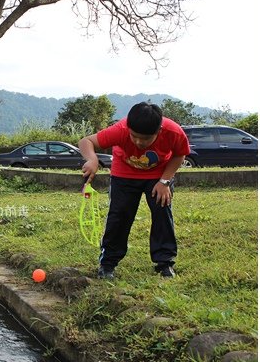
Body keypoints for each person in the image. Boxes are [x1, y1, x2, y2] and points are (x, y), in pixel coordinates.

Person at [78, 102, 190, 279]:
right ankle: (108, 263)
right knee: (119, 215)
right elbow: (87, 141)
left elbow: (179, 154)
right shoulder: (121, 129)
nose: (139, 142)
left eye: (145, 139)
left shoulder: (173, 132)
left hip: (158, 175)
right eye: (134, 136)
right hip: (124, 174)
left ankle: (165, 263)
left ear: (158, 131)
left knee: (162, 211)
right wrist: (92, 159)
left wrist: (165, 181)